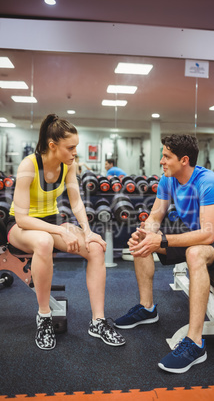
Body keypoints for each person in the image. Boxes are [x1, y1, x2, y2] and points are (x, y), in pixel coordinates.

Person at [114, 134, 214, 373]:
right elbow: (155, 216)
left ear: (184, 160)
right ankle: (147, 308)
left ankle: (195, 342)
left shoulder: (208, 182)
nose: (161, 161)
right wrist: (145, 233)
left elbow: (208, 235)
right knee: (143, 241)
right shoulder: (168, 180)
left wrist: (161, 238)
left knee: (194, 253)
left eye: (166, 156)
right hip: (195, 235)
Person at [7, 114, 125, 350]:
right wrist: (60, 232)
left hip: (50, 223)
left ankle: (98, 321)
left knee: (95, 248)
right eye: (70, 148)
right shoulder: (29, 165)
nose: (74, 153)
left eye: (76, 148)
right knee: (43, 242)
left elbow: (77, 202)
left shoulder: (68, 165)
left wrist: (87, 231)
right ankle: (44, 316)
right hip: (21, 226)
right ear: (53, 145)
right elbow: (22, 218)